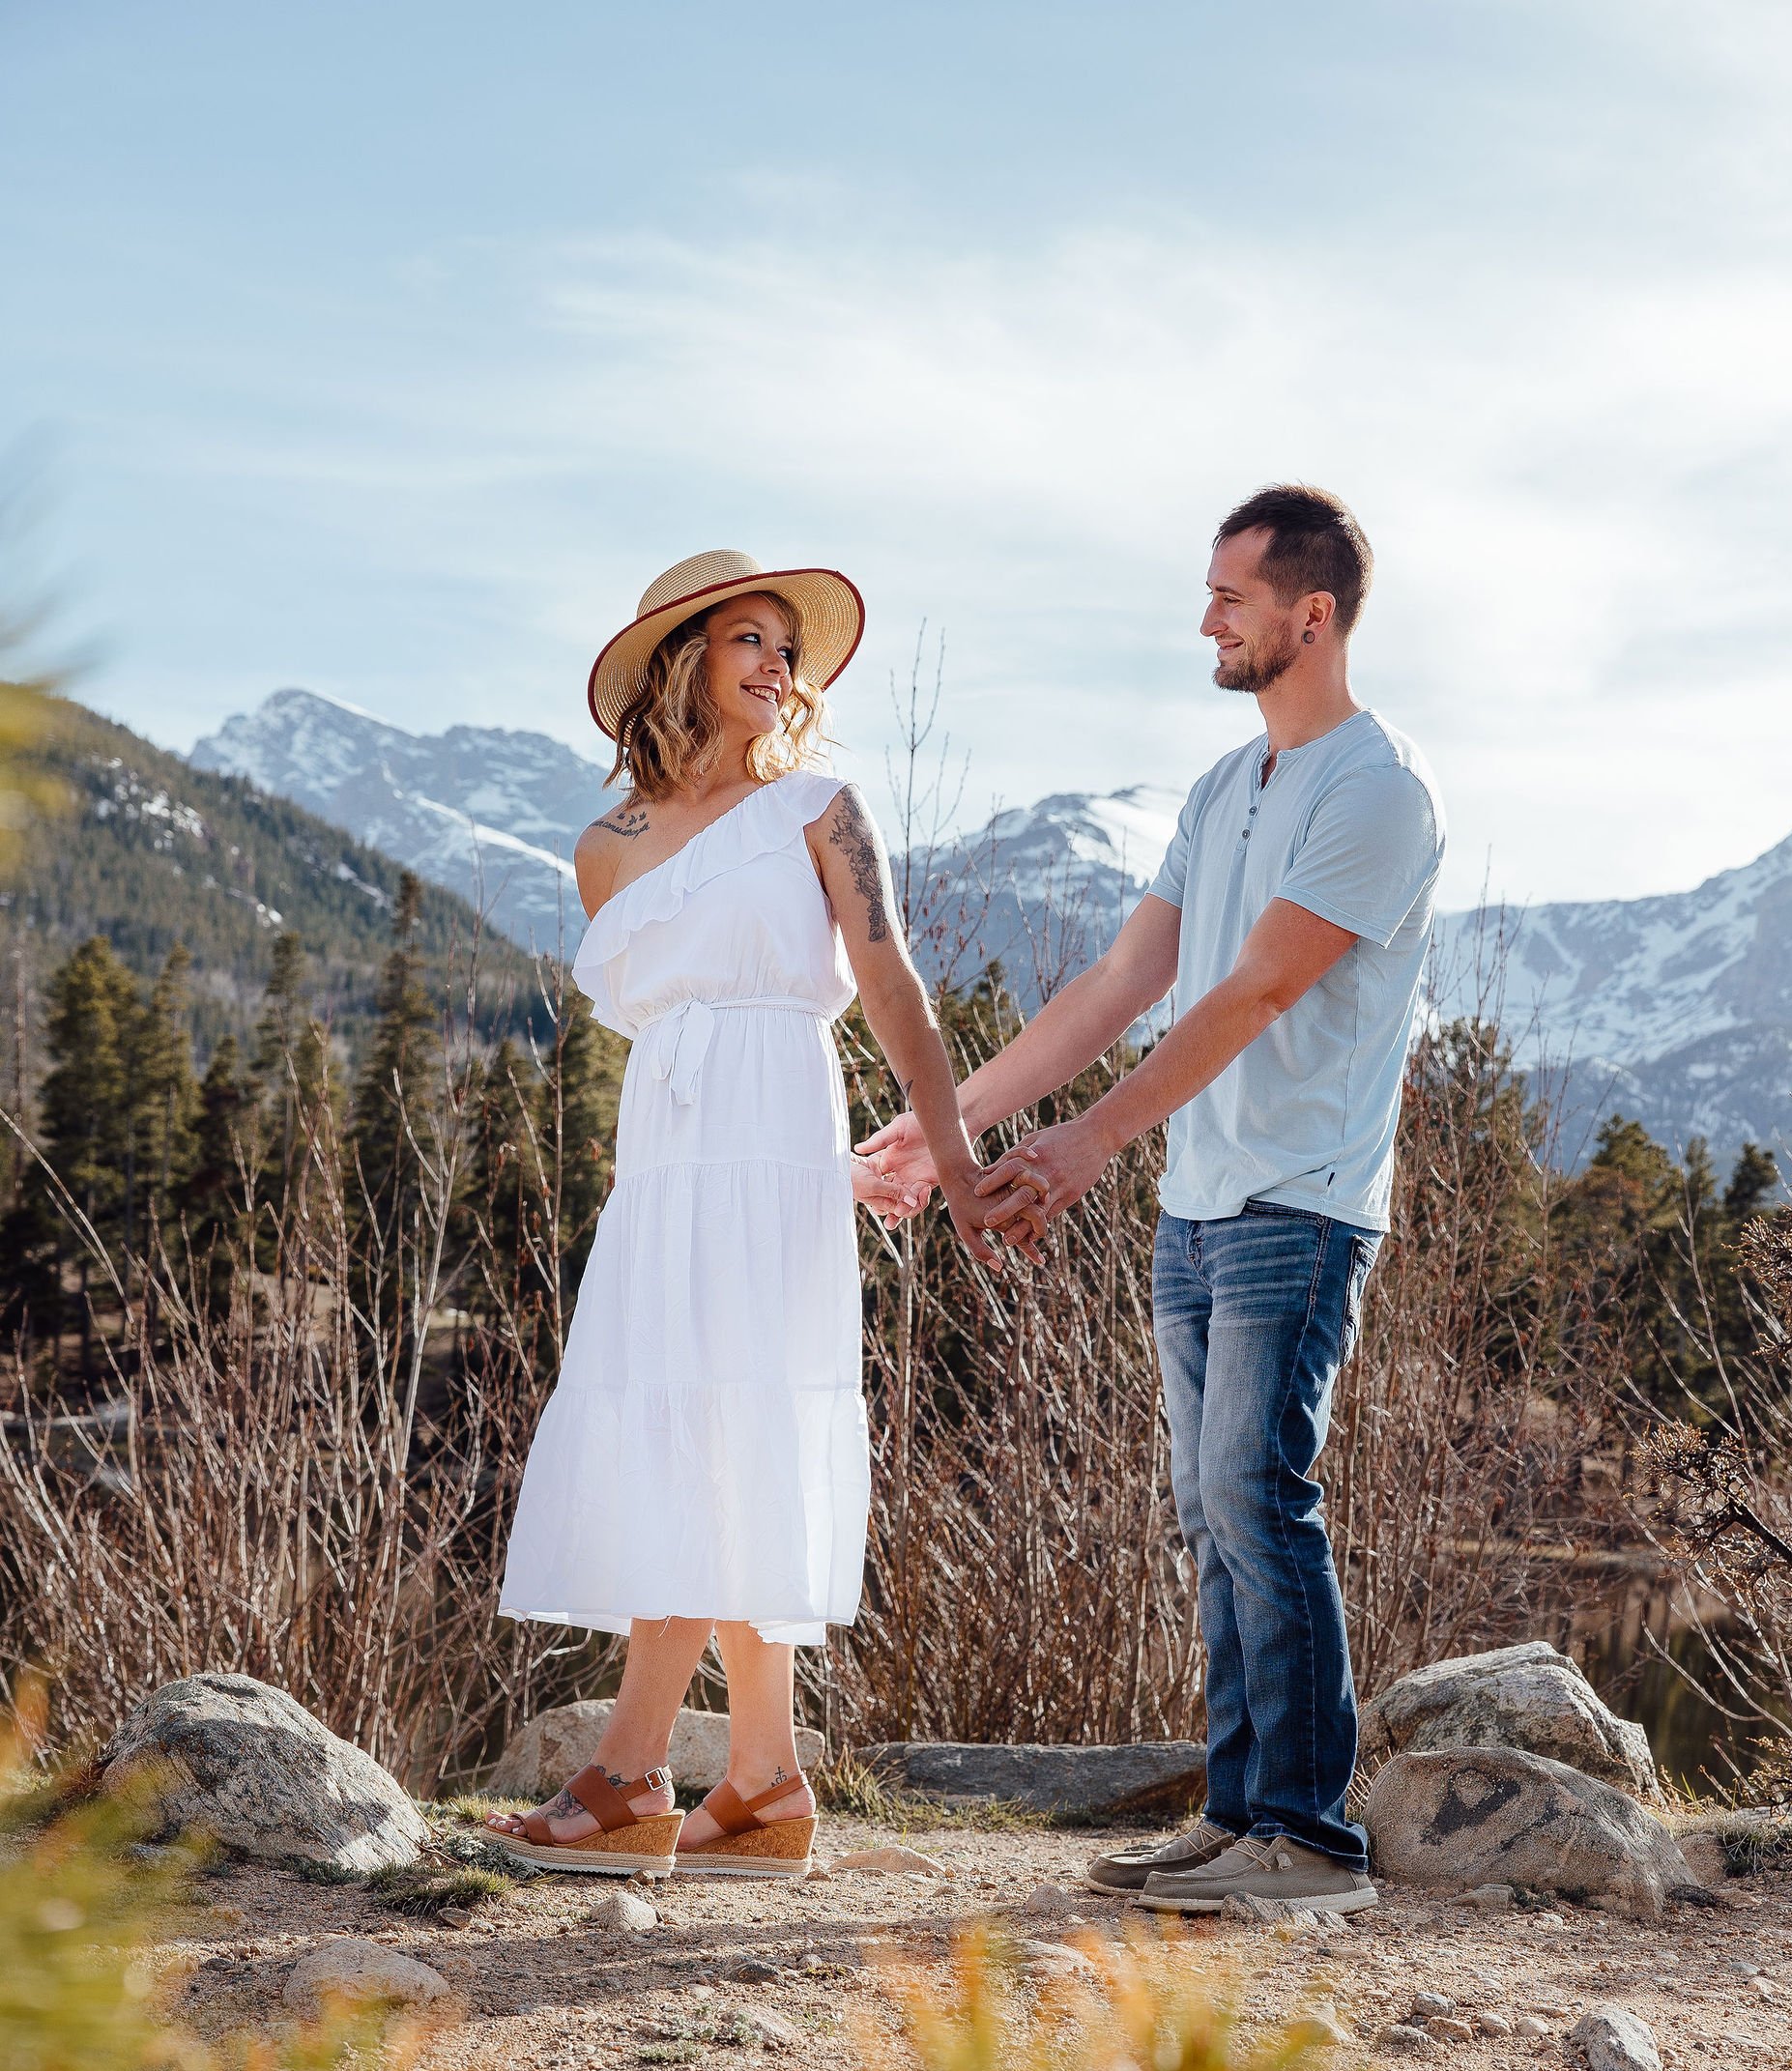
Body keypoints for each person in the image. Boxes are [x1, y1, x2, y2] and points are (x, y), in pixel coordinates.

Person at [860, 486, 1444, 1915]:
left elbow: (1256, 989)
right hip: (1199, 1212)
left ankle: (1307, 1840)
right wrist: (952, 1129)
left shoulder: (1378, 791)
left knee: (1261, 1498)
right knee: (1209, 1511)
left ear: (1311, 617)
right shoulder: (1219, 790)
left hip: (1300, 1207)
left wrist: (1091, 1144)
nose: (1206, 621)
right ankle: (1239, 1816)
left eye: (1231, 598)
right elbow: (1121, 988)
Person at [486, 548, 991, 1878]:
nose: (780, 665)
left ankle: (630, 1774)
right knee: (704, 1421)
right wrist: (630, 1179)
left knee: (729, 1418)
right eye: (749, 641)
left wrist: (946, 1155)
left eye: (789, 646)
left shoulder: (825, 808)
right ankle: (763, 1781)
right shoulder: (609, 849)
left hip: (778, 1130)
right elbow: (655, 1029)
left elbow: (894, 993)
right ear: (683, 662)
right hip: (664, 1152)